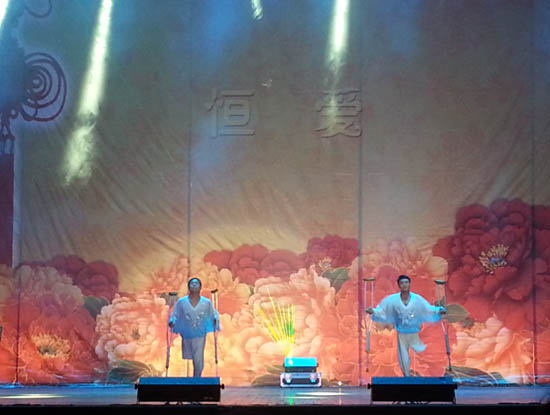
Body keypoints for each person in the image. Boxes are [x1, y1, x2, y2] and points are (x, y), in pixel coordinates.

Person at [365, 274, 446, 377]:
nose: (404, 285)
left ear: (409, 284)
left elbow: (428, 309)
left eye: (406, 282)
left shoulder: (417, 299)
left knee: (423, 353)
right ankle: (406, 377)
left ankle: (423, 377)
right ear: (399, 285)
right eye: (402, 283)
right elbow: (383, 310)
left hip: (414, 332)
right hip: (402, 333)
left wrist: (439, 310)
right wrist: (373, 311)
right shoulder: (393, 300)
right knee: (403, 357)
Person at [168, 277, 219, 377]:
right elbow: (175, 314)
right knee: (189, 356)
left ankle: (197, 378)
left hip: (200, 334)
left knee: (198, 357)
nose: (194, 285)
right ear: (188, 287)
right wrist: (172, 321)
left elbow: (212, 314)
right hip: (186, 333)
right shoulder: (181, 302)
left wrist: (215, 320)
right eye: (192, 283)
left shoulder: (206, 302)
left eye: (197, 283)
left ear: (200, 287)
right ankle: (189, 380)